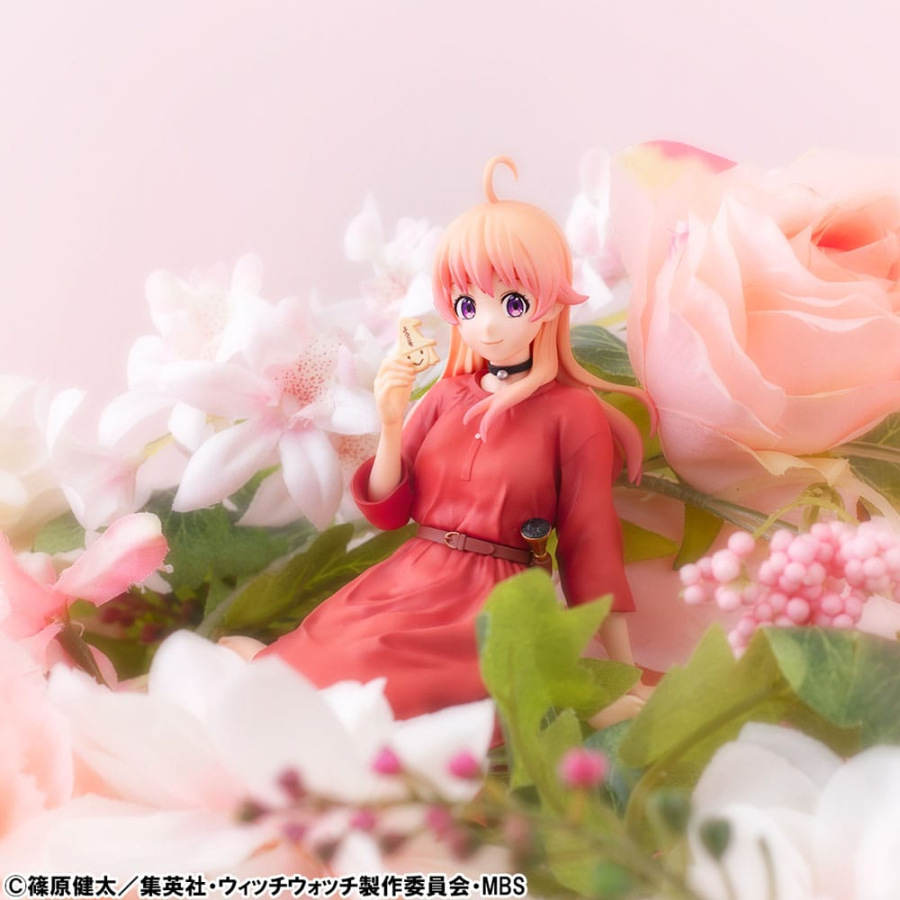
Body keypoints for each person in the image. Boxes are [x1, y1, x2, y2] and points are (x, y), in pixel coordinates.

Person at [259, 157, 657, 722]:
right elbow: (390, 511)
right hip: (407, 581)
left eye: (513, 303)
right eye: (468, 305)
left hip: (496, 601)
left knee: (385, 696)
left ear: (552, 302)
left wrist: (624, 671)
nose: (487, 325)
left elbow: (589, 544)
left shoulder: (573, 414)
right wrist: (391, 423)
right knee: (315, 660)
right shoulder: (446, 396)